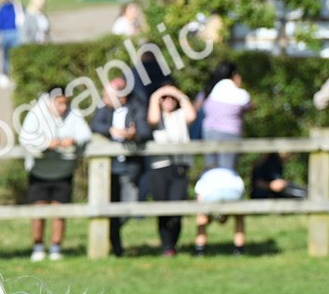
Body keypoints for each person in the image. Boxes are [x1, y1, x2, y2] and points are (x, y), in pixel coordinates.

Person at [20, 86, 92, 261]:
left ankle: (56, 247)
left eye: (66, 103)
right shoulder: (36, 114)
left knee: (59, 211)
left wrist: (73, 141)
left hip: (63, 171)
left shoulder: (73, 114)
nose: (63, 107)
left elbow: (86, 135)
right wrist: (46, 143)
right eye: (60, 103)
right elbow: (24, 138)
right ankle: (38, 247)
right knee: (38, 210)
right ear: (50, 100)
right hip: (39, 171)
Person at [91, 77, 149, 257]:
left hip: (129, 166)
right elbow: (95, 125)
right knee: (109, 206)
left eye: (107, 95)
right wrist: (111, 130)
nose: (104, 99)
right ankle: (117, 248)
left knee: (128, 206)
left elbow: (145, 130)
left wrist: (133, 134)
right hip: (108, 169)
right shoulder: (103, 108)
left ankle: (111, 233)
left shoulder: (137, 106)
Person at [147, 83, 197, 256]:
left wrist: (178, 94)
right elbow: (153, 119)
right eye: (165, 98)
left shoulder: (181, 115)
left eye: (171, 98)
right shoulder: (157, 116)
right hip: (160, 166)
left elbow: (192, 115)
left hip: (180, 166)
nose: (168, 100)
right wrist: (156, 95)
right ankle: (166, 246)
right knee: (162, 208)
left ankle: (172, 244)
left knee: (177, 207)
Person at [196, 61, 251, 170]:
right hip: (230, 133)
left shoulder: (208, 91)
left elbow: (196, 107)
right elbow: (250, 106)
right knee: (227, 169)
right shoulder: (238, 94)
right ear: (234, 75)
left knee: (211, 168)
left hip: (209, 132)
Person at [193, 167, 246, 256]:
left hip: (211, 193)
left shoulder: (205, 174)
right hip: (233, 192)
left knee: (202, 215)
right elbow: (241, 189)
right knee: (239, 215)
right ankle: (239, 249)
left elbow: (199, 196)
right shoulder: (232, 172)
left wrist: (204, 215)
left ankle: (200, 249)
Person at [0, 0, 21, 89]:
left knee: (5, 56)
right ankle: (16, 73)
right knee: (15, 55)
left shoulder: (0, 9)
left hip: (5, 34)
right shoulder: (15, 7)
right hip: (16, 33)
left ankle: (5, 73)